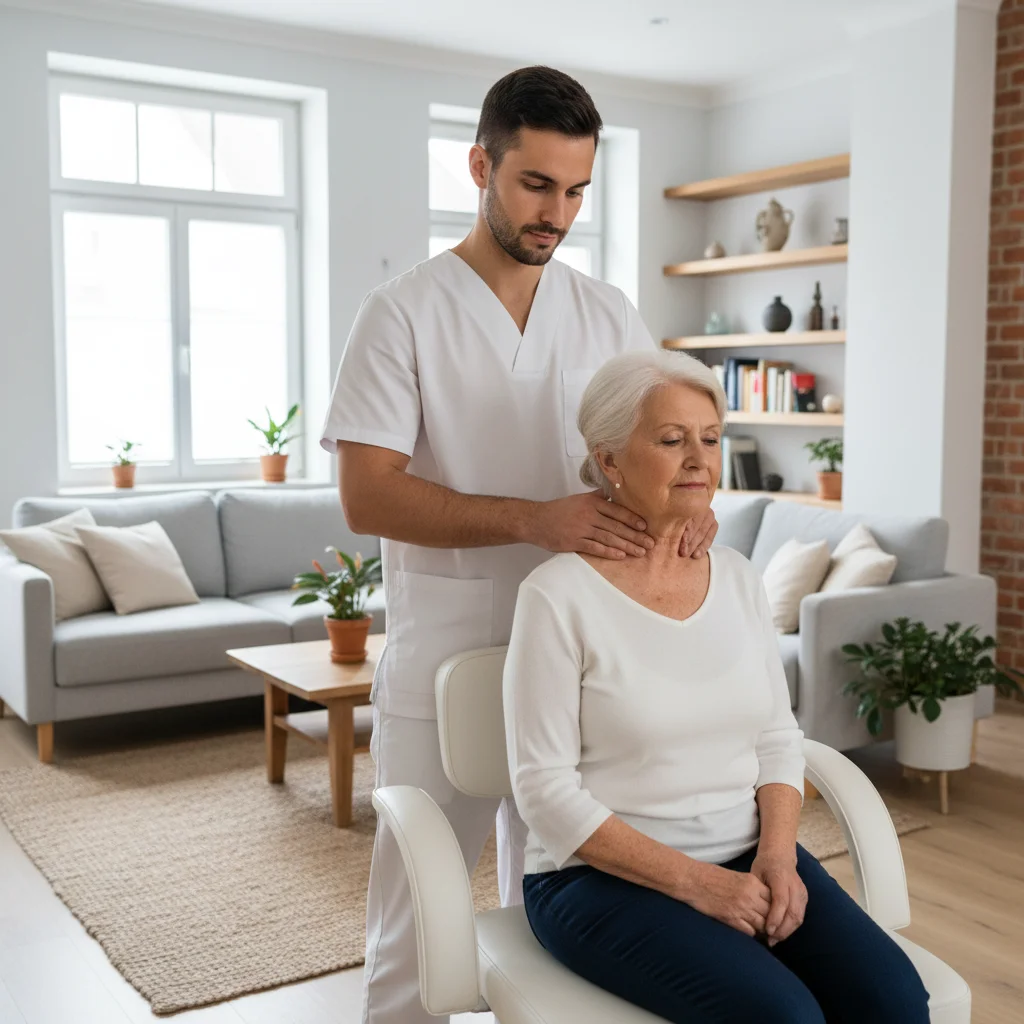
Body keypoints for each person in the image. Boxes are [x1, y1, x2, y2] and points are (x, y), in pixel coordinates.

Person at [319, 67, 718, 1024]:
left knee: (557, 905)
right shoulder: (401, 313)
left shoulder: (608, 312)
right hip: (445, 656)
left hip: (581, 654)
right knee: (417, 917)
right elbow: (365, 496)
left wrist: (688, 504)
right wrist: (534, 518)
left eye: (576, 190)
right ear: (479, 166)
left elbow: (658, 445)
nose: (557, 212)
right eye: (536, 184)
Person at [503, 349, 932, 1024]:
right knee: (784, 1016)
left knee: (896, 1002)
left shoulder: (734, 576)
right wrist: (702, 886)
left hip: (748, 853)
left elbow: (776, 736)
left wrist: (778, 856)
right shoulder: (556, 596)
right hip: (594, 880)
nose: (699, 460)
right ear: (609, 461)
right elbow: (544, 792)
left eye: (709, 439)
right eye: (672, 441)